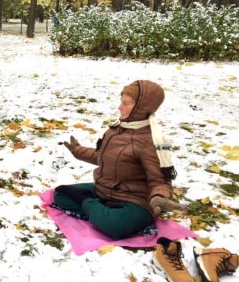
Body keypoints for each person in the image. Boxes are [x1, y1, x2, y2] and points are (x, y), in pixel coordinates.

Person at [54, 80, 187, 241]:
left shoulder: (151, 141)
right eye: (121, 102)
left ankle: (89, 204)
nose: (119, 107)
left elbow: (159, 179)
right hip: (105, 190)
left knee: (114, 225)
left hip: (135, 200)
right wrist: (77, 151)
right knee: (60, 194)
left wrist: (160, 197)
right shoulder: (116, 130)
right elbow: (102, 157)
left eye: (126, 103)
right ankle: (98, 209)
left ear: (141, 107)